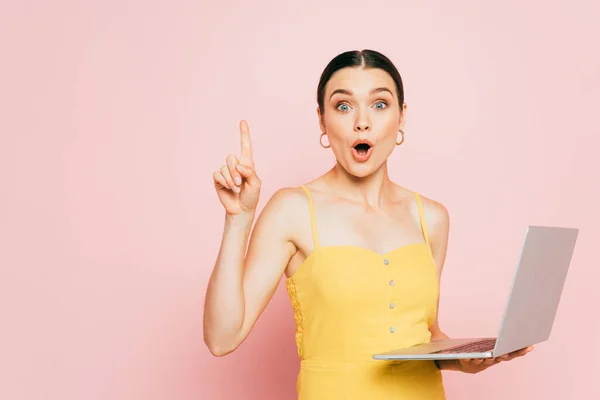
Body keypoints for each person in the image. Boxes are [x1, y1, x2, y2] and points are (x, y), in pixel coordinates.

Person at [203, 49, 533, 399]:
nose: (362, 122)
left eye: (379, 104)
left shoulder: (431, 217)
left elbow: (427, 332)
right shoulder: (293, 209)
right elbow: (222, 338)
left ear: (402, 117)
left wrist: (464, 358)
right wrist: (238, 221)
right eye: (343, 106)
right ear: (322, 121)